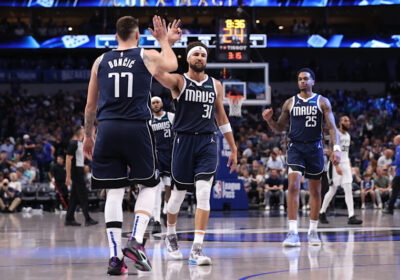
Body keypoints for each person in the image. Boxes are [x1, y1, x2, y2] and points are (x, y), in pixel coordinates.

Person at [82, 16, 181, 275]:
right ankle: (136, 240)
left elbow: (90, 106)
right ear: (137, 37)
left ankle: (115, 259)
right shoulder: (145, 55)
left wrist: (88, 135)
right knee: (150, 185)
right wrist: (163, 41)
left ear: (116, 37)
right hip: (136, 127)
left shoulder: (100, 61)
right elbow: (172, 63)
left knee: (114, 192)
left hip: (107, 129)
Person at [153, 41, 237, 265]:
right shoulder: (179, 81)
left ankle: (197, 249)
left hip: (208, 141)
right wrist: (165, 43)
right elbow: (157, 71)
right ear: (188, 58)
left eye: (203, 54)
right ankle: (170, 235)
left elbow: (221, 117)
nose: (200, 57)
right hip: (183, 141)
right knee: (176, 198)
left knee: (203, 193)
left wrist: (233, 147)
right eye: (196, 54)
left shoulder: (215, 85)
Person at [262, 68, 340, 247]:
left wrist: (335, 148)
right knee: (293, 185)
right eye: (300, 79)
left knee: (315, 190)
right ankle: (292, 232)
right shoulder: (290, 103)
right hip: (295, 147)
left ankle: (313, 231)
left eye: (306, 79)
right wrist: (269, 120)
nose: (303, 82)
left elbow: (332, 127)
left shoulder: (322, 101)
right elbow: (279, 128)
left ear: (313, 81)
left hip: (315, 148)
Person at [319, 116, 362, 224]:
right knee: (332, 190)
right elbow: (330, 151)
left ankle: (351, 216)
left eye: (348, 121)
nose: (348, 122)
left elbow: (346, 153)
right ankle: (322, 212)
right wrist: (336, 166)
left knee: (348, 188)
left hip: (346, 164)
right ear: (340, 123)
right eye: (345, 120)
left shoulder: (348, 135)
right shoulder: (335, 134)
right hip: (335, 164)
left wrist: (349, 166)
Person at [150, 96, 174, 232]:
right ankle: (157, 220)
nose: (155, 104)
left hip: (170, 155)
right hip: (157, 157)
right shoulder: (149, 121)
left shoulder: (171, 117)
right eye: (153, 103)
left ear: (162, 103)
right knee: (157, 189)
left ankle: (165, 210)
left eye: (157, 102)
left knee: (169, 186)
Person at [65, 126, 97, 226]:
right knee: (83, 195)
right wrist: (68, 176)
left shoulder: (80, 143)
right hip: (76, 171)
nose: (85, 132)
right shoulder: (73, 143)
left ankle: (69, 219)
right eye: (83, 131)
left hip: (80, 170)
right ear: (79, 132)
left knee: (74, 197)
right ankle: (87, 219)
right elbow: (68, 159)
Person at [384, 135, 400, 215]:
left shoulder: (399, 148)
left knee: (394, 191)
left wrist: (389, 164)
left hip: (399, 174)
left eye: (394, 140)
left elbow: (398, 161)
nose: (393, 142)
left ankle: (390, 209)